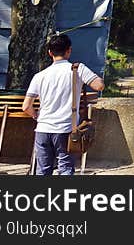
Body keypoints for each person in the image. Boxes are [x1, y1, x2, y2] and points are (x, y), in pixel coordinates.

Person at [21, 33, 105, 175]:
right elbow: (99, 86)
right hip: (66, 129)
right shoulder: (78, 69)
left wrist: (37, 116)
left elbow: (26, 107)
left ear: (50, 53)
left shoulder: (39, 76)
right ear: (69, 50)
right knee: (65, 169)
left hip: (42, 129)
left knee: (42, 171)